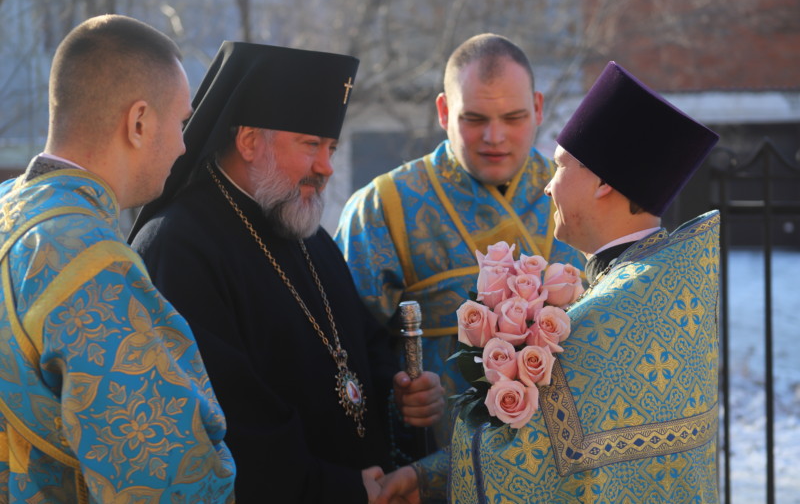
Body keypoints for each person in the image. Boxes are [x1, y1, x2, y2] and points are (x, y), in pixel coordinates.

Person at [378, 61, 722, 503]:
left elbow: (517, 463)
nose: (547, 187)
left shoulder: (599, 323)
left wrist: (426, 471)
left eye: (560, 167)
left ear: (601, 184)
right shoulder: (671, 290)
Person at [129, 41, 445, 503]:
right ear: (250, 140)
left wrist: (401, 392)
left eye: (332, 147)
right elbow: (225, 418)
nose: (327, 167)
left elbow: (361, 348)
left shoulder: (307, 234)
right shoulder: (178, 246)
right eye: (311, 145)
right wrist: (337, 491)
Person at [0, 15, 235, 502]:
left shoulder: (8, 208)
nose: (184, 144)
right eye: (182, 122)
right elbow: (166, 477)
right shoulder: (91, 261)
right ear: (139, 121)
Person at [334, 33, 583, 453]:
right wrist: (395, 392)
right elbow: (345, 352)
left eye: (513, 117)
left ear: (539, 108)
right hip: (430, 466)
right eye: (474, 118)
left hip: (557, 465)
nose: (494, 136)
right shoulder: (383, 208)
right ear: (444, 111)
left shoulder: (575, 196)